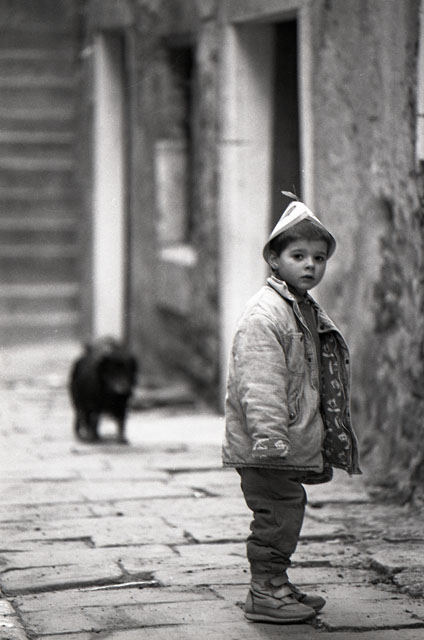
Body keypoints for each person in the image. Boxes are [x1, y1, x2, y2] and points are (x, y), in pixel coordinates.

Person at [222, 198, 361, 624]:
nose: (310, 265)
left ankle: (276, 583)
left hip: (284, 440)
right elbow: (260, 382)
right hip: (267, 444)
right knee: (277, 515)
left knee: (285, 510)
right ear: (274, 259)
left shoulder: (300, 308)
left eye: (319, 258)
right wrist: (269, 436)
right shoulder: (265, 315)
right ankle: (265, 591)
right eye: (298, 256)